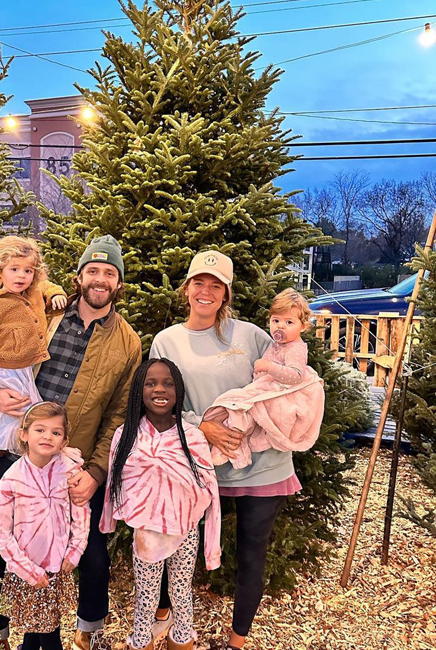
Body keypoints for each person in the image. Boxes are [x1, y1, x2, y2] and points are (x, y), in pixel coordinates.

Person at [0, 235, 153, 650]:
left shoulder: (128, 341)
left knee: (91, 550)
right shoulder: (43, 314)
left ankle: (87, 629)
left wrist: (96, 472)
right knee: (3, 543)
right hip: (22, 453)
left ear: (119, 284)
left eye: (109, 273)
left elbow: (119, 414)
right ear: (78, 277)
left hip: (76, 463)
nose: (100, 279)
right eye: (92, 271)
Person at [150, 250, 304, 650]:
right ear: (187, 288)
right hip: (197, 465)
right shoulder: (167, 341)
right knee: (175, 546)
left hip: (262, 466)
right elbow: (159, 400)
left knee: (252, 554)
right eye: (199, 283)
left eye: (215, 286)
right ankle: (163, 620)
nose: (206, 291)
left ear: (226, 294)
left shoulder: (252, 336)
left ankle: (236, 641)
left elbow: (291, 383)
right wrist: (202, 427)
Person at [100, 359, 221, 650]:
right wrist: (109, 520)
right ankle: (140, 641)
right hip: (147, 533)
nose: (160, 389)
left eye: (168, 383)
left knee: (181, 592)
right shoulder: (127, 435)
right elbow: (116, 481)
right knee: (146, 593)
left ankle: (181, 639)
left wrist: (211, 547)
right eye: (150, 383)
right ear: (139, 391)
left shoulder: (192, 436)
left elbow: (208, 488)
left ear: (178, 390)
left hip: (185, 531)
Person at [0, 235, 67, 486]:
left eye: (28, 270)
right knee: (24, 412)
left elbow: (47, 286)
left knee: (18, 417)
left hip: (26, 368)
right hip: (7, 370)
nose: (21, 276)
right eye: (14, 269)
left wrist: (57, 294)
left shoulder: (34, 290)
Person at [0, 401, 90, 650]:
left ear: (64, 441)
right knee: (45, 633)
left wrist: (76, 549)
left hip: (58, 565)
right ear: (23, 434)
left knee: (44, 626)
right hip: (27, 569)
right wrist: (26, 570)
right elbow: (1, 533)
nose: (48, 436)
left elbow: (81, 512)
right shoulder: (11, 480)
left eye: (56, 432)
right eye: (40, 430)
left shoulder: (70, 471)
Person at [204, 288, 324, 469]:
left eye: (289, 322)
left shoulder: (295, 348)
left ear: (303, 325)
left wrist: (269, 367)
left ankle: (224, 452)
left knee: (239, 414)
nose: (280, 326)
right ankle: (227, 450)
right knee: (239, 415)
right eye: (276, 320)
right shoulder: (279, 344)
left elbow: (296, 376)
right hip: (267, 389)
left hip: (279, 394)